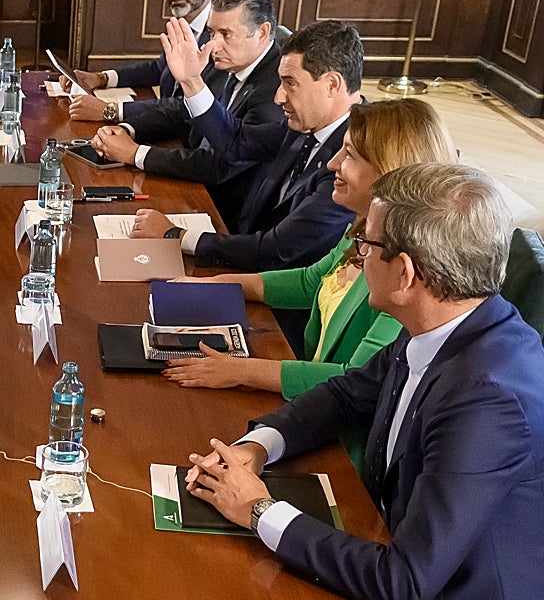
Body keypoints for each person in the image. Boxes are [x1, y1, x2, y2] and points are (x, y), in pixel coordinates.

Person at [184, 163, 544, 600]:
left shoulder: (488, 398)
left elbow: (403, 583)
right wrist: (256, 447)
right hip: (407, 559)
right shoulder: (453, 322)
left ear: (404, 273)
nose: (355, 255)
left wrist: (258, 510)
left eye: (366, 244)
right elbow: (349, 392)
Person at [161, 100, 457, 414]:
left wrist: (241, 370)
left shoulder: (406, 275)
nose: (332, 164)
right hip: (312, 404)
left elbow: (357, 378)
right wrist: (218, 284)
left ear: (390, 170)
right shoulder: (361, 227)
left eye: (350, 156)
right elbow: (309, 281)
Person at [131, 19, 359, 273]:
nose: (278, 97)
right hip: (244, 259)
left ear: (332, 84)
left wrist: (176, 236)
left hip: (278, 298)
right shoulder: (306, 123)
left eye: (290, 83)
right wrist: (192, 83)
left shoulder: (354, 160)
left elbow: (275, 250)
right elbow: (236, 142)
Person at [91, 0, 284, 229]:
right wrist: (129, 129)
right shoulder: (231, 59)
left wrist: (134, 153)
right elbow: (186, 112)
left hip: (226, 218)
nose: (214, 44)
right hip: (196, 189)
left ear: (263, 32)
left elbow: (218, 166)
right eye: (212, 33)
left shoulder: (275, 91)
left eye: (226, 35)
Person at [64, 0, 218, 123]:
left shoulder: (223, 31)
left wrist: (110, 110)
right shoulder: (185, 18)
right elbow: (160, 68)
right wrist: (101, 78)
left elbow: (188, 106)